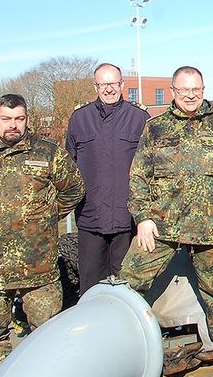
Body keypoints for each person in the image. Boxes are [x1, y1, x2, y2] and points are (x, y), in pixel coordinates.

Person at [118, 66, 213, 369]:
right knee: (125, 282)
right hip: (160, 226)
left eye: (196, 89)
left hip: (210, 228)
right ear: (173, 92)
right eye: (184, 90)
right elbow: (138, 177)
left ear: (203, 90)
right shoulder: (155, 128)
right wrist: (143, 217)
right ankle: (118, 345)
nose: (191, 95)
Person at [0, 94, 84, 377]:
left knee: (47, 337)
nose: (13, 125)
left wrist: (45, 218)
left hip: (39, 267)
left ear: (27, 119)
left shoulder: (48, 153)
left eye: (19, 119)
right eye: (6, 119)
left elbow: (74, 189)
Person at [66, 63, 149, 295]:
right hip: (90, 221)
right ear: (96, 86)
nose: (109, 89)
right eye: (103, 84)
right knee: (91, 289)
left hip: (128, 220)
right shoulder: (79, 119)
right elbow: (68, 171)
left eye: (113, 83)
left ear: (122, 84)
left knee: (129, 289)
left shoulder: (140, 119)